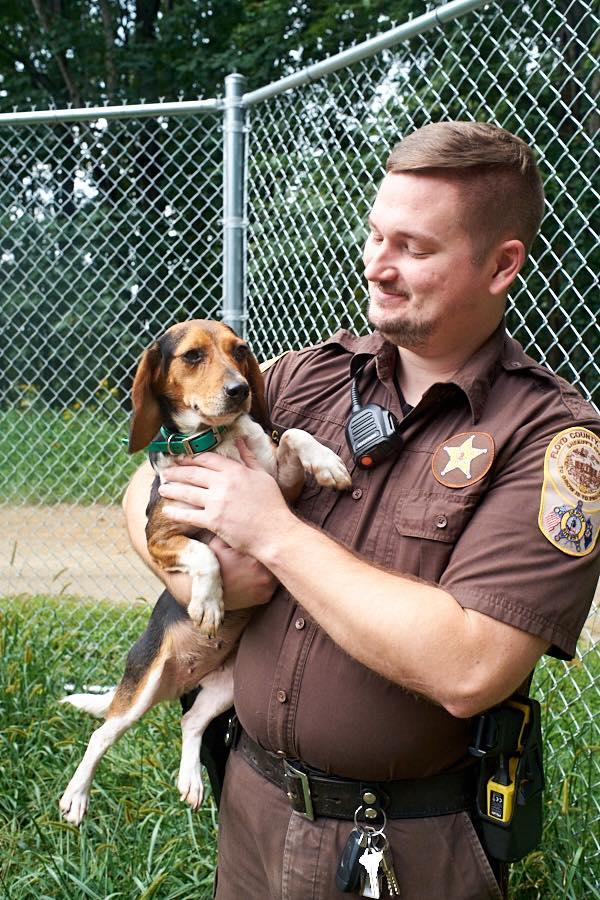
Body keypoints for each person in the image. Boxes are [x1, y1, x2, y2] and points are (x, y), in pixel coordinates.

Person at [123, 121, 600, 900]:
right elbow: (144, 480)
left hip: (405, 848)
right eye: (376, 236)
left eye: (413, 247)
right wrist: (198, 570)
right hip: (250, 808)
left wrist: (272, 535)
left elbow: (470, 667)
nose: (377, 266)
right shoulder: (306, 374)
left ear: (501, 264)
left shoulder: (553, 438)